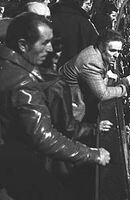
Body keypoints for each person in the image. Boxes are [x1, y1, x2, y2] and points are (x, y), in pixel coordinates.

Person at [0, 13, 110, 200]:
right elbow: (44, 137)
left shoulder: (7, 66)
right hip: (17, 167)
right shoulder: (22, 82)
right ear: (23, 45)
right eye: (44, 43)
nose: (50, 49)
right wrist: (92, 154)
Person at [61, 29, 130, 123]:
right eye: (112, 50)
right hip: (71, 107)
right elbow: (103, 94)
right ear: (101, 46)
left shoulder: (95, 52)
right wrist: (124, 86)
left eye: (119, 51)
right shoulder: (92, 61)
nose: (116, 55)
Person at [51, 0, 98, 67]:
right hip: (74, 69)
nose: (89, 8)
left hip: (54, 67)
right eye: (87, 4)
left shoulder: (52, 15)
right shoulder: (82, 22)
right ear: (78, 3)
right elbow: (94, 46)